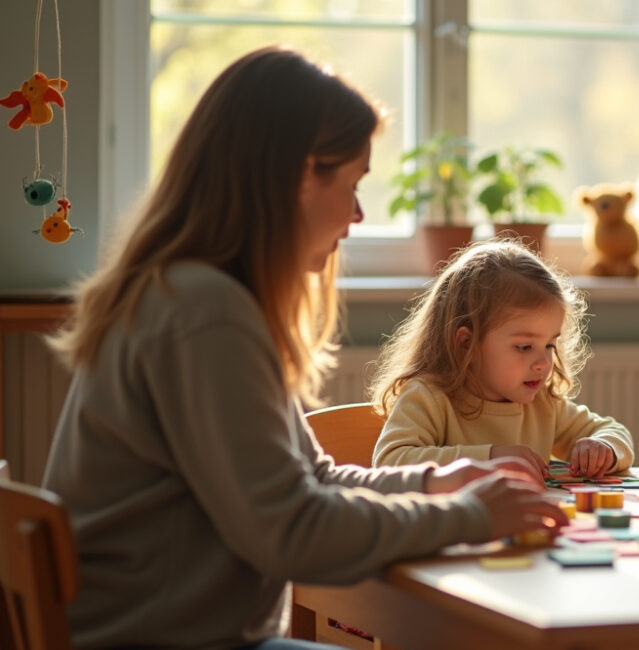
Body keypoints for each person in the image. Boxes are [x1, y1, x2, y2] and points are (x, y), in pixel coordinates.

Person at [41, 46, 567, 650]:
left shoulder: (195, 293)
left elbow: (311, 478)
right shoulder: (204, 313)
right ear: (297, 175)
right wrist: (473, 516)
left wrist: (436, 481)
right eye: (353, 184)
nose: (358, 215)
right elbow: (291, 533)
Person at [370, 239, 635, 479]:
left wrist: (604, 448)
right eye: (524, 346)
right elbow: (390, 463)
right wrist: (491, 458)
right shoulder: (429, 397)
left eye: (550, 345)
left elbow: (613, 431)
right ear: (466, 344)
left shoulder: (543, 404)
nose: (543, 362)